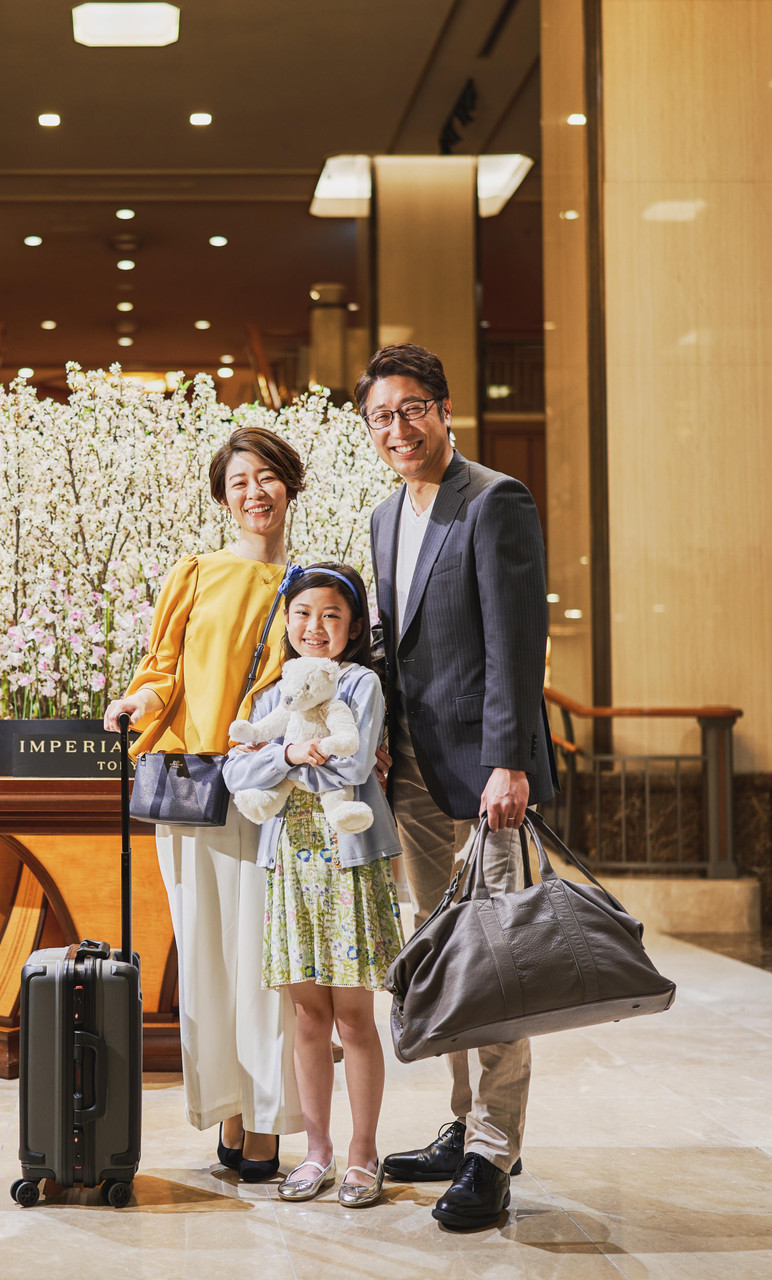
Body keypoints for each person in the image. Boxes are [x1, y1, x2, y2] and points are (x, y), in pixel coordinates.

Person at [360, 343, 553, 1230]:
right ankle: (462, 1121)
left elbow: (515, 639)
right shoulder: (384, 515)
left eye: (412, 409)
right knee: (442, 955)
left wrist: (510, 760)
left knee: (498, 960)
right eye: (381, 417)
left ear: (444, 410)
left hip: (486, 775)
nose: (398, 429)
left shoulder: (494, 499)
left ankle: (492, 1153)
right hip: (411, 772)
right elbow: (395, 645)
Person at [102, 426, 306, 1181]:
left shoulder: (312, 585)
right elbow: (163, 670)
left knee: (266, 963)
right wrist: (137, 701)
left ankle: (266, 1121)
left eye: (267, 477)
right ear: (223, 498)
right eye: (239, 481)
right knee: (207, 959)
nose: (255, 492)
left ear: (290, 486)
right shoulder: (195, 573)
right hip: (192, 786)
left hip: (272, 794)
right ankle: (227, 1107)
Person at [221, 563, 403, 1208]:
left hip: (347, 863)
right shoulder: (274, 692)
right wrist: (289, 756)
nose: (315, 626)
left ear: (353, 627)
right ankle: (317, 1151)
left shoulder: (361, 683)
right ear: (287, 621)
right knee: (307, 1017)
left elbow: (353, 766)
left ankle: (363, 1154)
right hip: (290, 865)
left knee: (353, 1017)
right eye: (302, 613)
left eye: (331, 614)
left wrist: (276, 767)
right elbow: (235, 774)